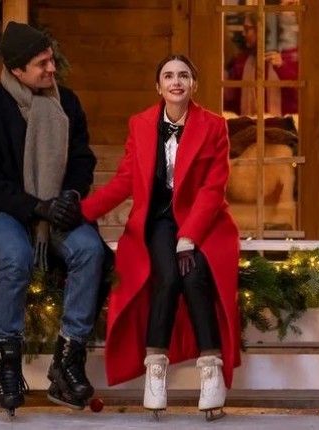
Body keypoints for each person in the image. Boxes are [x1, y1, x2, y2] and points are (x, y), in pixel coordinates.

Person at [0, 21, 111, 416]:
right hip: (2, 210)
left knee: (90, 250)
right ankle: (6, 365)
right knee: (15, 255)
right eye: (42, 63)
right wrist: (38, 207)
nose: (52, 68)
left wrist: (71, 195)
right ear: (17, 70)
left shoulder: (67, 104)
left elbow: (83, 159)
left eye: (51, 59)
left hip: (56, 207)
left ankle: (67, 361)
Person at [80, 54, 241, 421]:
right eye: (168, 76)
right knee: (166, 278)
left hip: (204, 220)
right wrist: (82, 212)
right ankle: (155, 372)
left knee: (194, 276)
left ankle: (211, 374)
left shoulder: (214, 125)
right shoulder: (140, 124)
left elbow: (213, 188)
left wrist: (189, 237)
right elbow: (125, 180)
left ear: (194, 85)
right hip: (158, 219)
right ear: (159, 86)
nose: (176, 81)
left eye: (183, 75)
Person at [224, 10, 299, 116]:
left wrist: (281, 67)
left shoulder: (287, 60)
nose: (243, 34)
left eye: (247, 29)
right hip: (250, 123)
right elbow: (232, 101)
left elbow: (297, 95)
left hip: (281, 123)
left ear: (261, 31)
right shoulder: (242, 62)